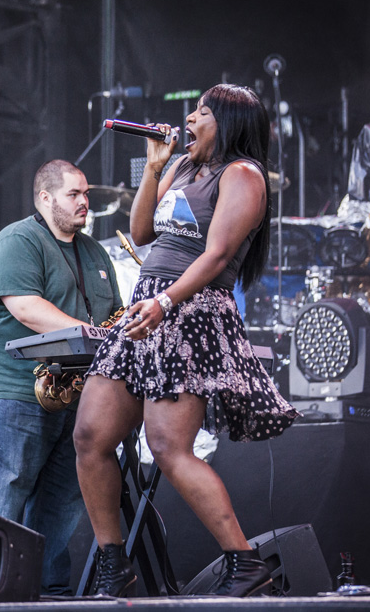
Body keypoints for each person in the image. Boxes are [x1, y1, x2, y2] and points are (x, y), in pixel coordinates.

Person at [73, 84, 300, 598]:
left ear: (228, 123)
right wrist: (155, 168)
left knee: (167, 446)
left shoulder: (243, 175)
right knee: (90, 435)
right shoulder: (181, 167)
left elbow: (217, 255)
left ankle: (245, 561)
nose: (190, 119)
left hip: (188, 310)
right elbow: (141, 232)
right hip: (148, 306)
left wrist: (166, 302)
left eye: (202, 112)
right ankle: (114, 561)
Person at [0, 159, 122, 595]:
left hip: (78, 394)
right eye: (74, 194)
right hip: (18, 388)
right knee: (7, 488)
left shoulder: (94, 252)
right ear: (45, 197)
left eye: (86, 194)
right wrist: (94, 334)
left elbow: (114, 312)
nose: (84, 202)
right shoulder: (17, 239)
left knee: (64, 499)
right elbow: (26, 308)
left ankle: (49, 593)